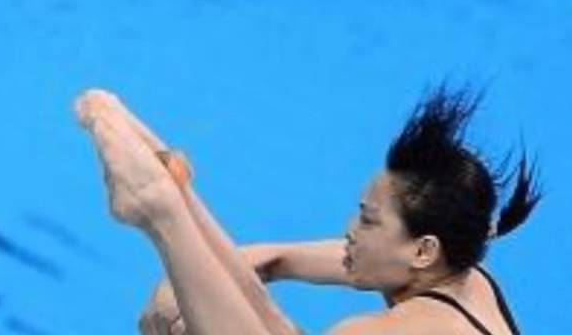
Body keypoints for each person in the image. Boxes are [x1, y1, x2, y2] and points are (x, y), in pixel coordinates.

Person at [74, 85, 542, 335]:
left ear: (423, 250)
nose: (349, 230)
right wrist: (177, 290)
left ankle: (162, 215)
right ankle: (171, 193)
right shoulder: (468, 277)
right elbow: (278, 259)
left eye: (368, 219)